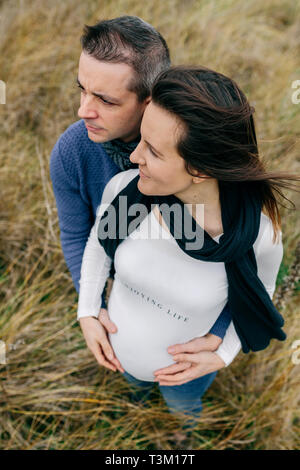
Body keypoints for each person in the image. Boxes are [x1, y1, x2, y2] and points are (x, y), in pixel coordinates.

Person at [77, 65, 299, 439]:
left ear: (200, 169)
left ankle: (181, 437)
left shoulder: (257, 235)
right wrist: (86, 310)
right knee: (134, 395)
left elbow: (261, 297)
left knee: (182, 414)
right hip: (119, 355)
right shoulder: (128, 194)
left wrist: (223, 353)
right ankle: (138, 401)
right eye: (140, 139)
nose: (134, 158)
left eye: (153, 151)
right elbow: (100, 246)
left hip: (187, 377)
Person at [50, 16, 232, 381]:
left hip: (189, 320)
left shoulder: (197, 156)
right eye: (82, 89)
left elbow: (241, 258)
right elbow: (77, 235)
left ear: (148, 102)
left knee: (185, 399)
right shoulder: (72, 151)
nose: (83, 110)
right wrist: (91, 307)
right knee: (134, 382)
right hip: (125, 306)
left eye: (104, 99)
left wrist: (222, 337)